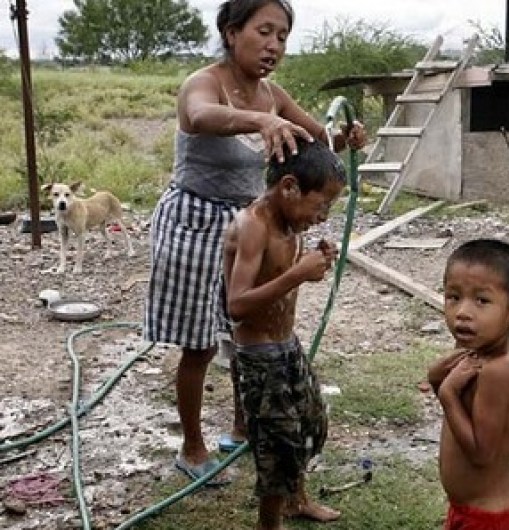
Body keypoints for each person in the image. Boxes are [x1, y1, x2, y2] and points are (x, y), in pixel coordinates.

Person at [143, 0, 364, 489]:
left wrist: (344, 139)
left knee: (247, 331)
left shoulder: (272, 93)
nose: (274, 45)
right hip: (195, 220)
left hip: (248, 222)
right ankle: (193, 446)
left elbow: (317, 137)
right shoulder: (203, 84)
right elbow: (200, 117)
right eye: (264, 31)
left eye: (282, 36)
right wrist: (260, 121)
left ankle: (246, 427)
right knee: (199, 343)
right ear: (230, 32)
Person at [223, 138, 345, 527]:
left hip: (287, 344)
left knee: (311, 423)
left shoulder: (291, 223)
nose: (323, 215)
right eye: (321, 204)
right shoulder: (253, 226)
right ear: (289, 187)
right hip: (258, 354)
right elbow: (236, 306)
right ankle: (270, 523)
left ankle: (297, 498)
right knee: (277, 445)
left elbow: (282, 275)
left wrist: (315, 261)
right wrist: (297, 274)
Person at [427, 239, 509, 530]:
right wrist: (439, 381)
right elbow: (464, 414)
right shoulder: (475, 350)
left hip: (486, 519)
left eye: (482, 301)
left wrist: (446, 392)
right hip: (466, 508)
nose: (463, 312)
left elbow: (481, 453)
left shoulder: (500, 371)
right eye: (453, 297)